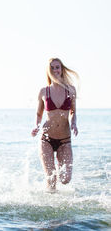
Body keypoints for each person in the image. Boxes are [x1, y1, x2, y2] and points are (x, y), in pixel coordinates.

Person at [31, 58, 79, 192]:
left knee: (65, 179)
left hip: (65, 139)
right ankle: (50, 206)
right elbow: (39, 114)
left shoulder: (71, 90)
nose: (55, 70)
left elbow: (73, 111)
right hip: (46, 139)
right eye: (52, 68)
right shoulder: (43, 91)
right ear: (49, 71)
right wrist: (37, 126)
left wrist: (74, 123)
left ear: (62, 69)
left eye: (57, 67)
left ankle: (57, 170)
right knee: (51, 180)